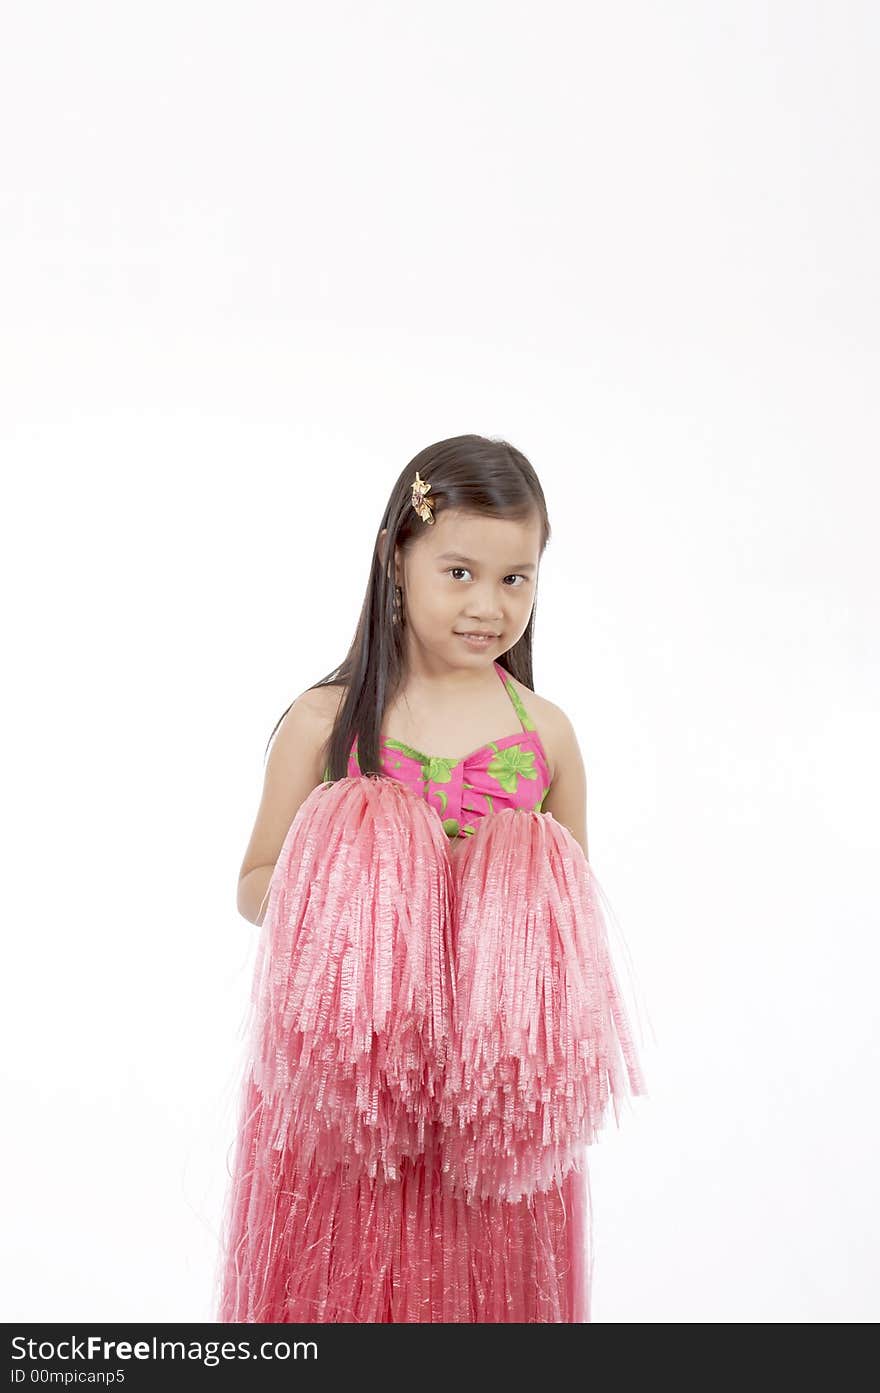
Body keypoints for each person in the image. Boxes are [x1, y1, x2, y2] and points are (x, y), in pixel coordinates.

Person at [214, 433, 648, 1323]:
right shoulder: (326, 720)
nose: (488, 605)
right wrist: (359, 876)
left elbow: (576, 928)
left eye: (515, 578)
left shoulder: (548, 736)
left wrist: (515, 898)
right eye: (460, 572)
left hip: (489, 1115)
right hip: (350, 1099)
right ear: (396, 560)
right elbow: (255, 880)